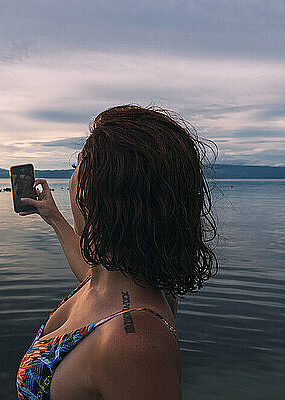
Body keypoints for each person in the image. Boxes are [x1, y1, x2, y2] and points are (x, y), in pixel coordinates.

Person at [15, 104, 218, 400]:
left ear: (88, 189)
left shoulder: (132, 343)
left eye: (77, 168)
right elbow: (88, 269)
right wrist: (54, 217)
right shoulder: (113, 279)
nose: (72, 182)